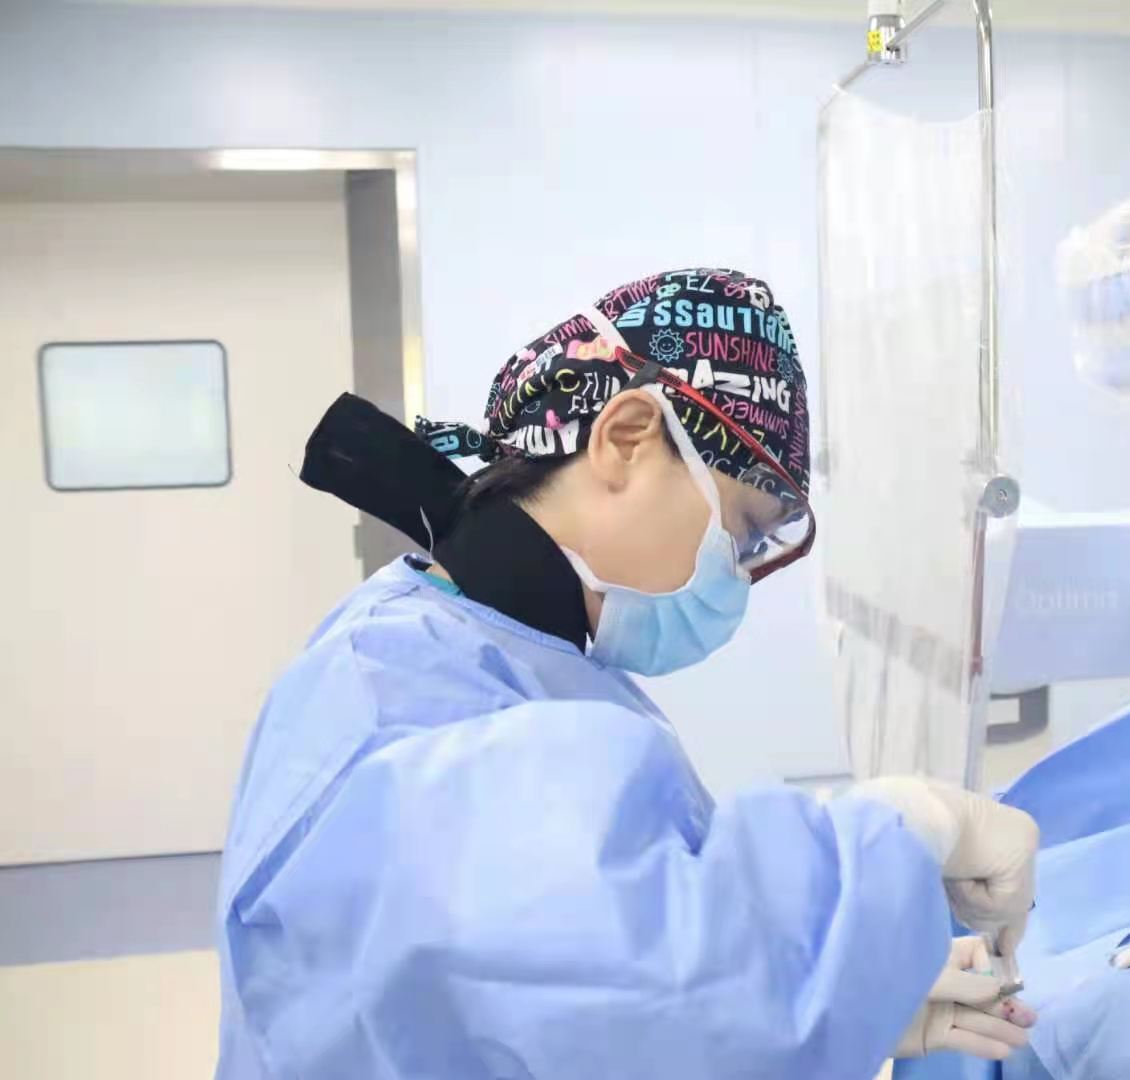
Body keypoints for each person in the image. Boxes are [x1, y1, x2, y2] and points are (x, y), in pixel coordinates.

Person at [214, 267, 1040, 1079]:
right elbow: (650, 972)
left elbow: (581, 1010)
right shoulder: (392, 692)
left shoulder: (506, 653)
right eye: (743, 531)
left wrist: (843, 994)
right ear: (627, 438)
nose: (737, 576)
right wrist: (906, 828)